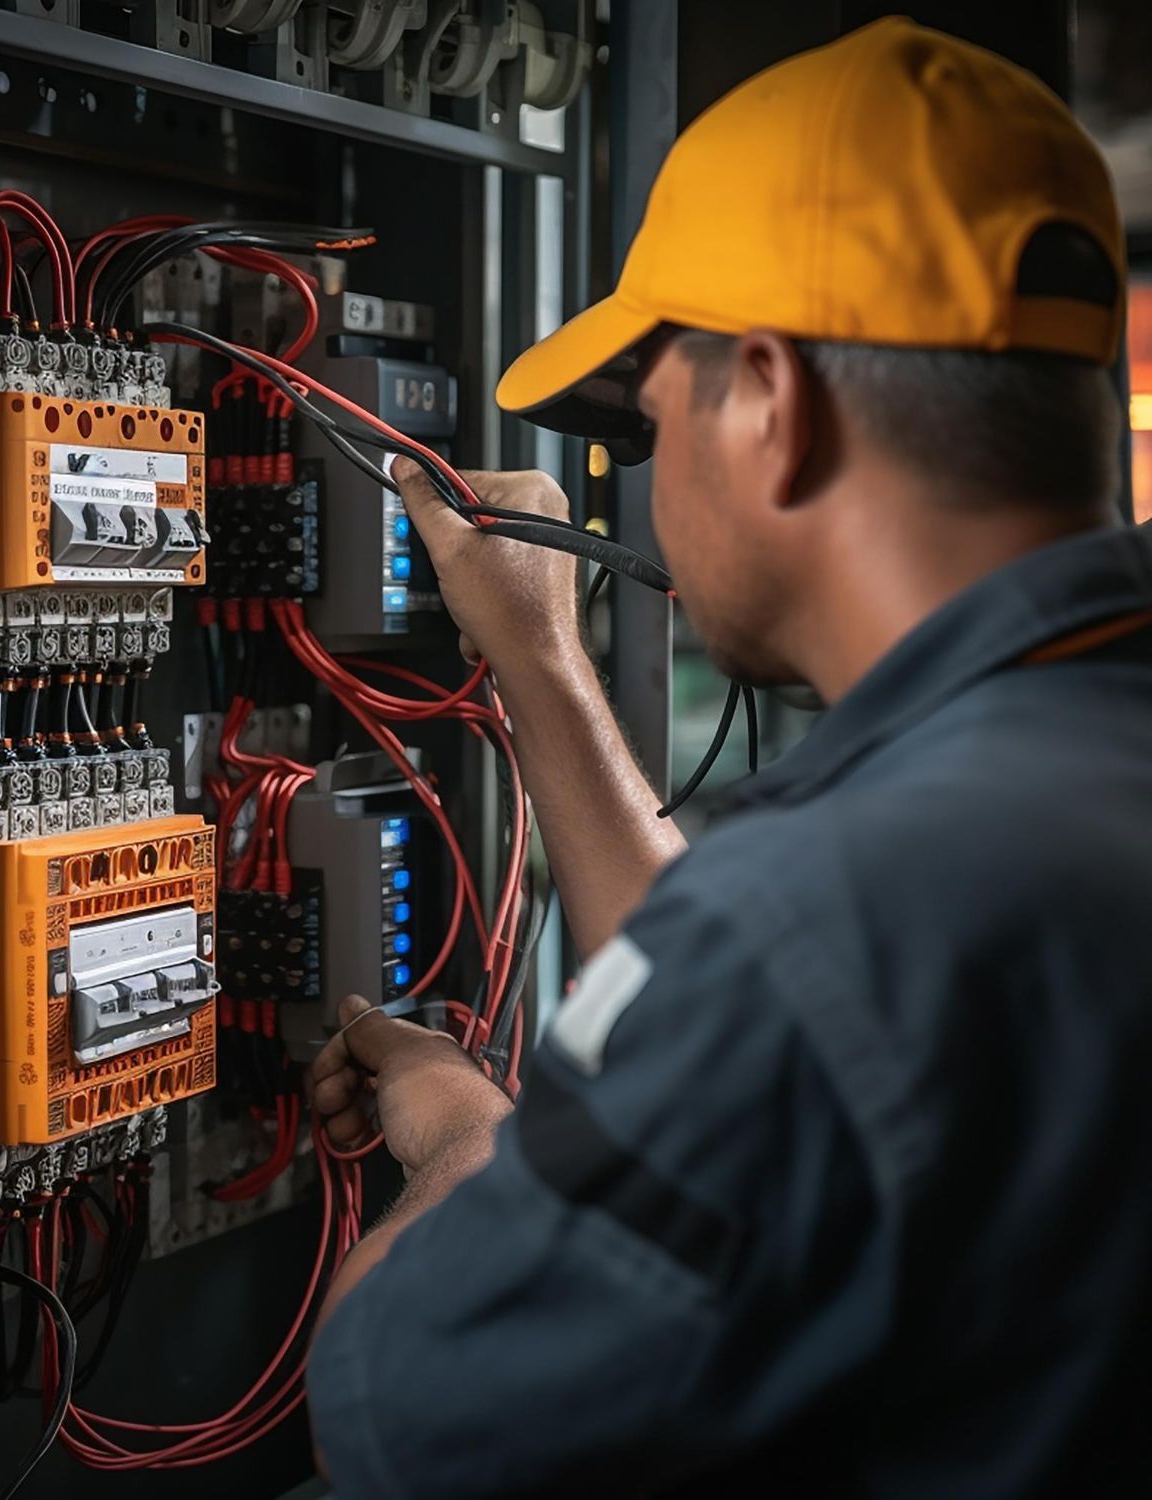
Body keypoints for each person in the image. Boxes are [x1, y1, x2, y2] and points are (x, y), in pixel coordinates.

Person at [302, 16, 1152, 1499]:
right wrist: (546, 664)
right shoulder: (1044, 785)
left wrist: (471, 1145)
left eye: (644, 419)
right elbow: (783, 1036)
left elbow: (410, 1409)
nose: (641, 482)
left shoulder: (840, 919)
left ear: (770, 394)